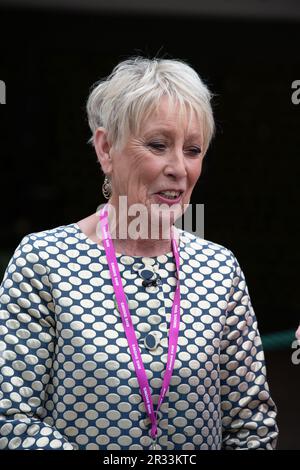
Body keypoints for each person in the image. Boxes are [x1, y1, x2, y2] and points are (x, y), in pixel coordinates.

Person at [0, 56, 278, 450]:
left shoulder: (220, 268)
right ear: (106, 148)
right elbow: (11, 420)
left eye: (193, 149)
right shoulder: (43, 260)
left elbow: (252, 427)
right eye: (158, 145)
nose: (179, 168)